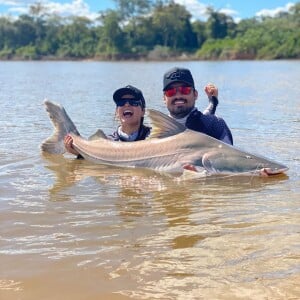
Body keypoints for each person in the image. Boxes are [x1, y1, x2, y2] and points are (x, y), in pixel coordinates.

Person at [64, 85, 151, 156]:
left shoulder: (154, 137)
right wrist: (80, 155)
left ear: (143, 111)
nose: (127, 104)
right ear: (117, 112)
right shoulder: (108, 141)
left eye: (133, 101)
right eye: (121, 102)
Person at [162, 66, 233, 145]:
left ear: (195, 95)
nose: (178, 96)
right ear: (164, 98)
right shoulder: (156, 133)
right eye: (171, 92)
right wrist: (213, 102)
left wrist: (213, 102)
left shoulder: (215, 125)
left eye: (185, 90)